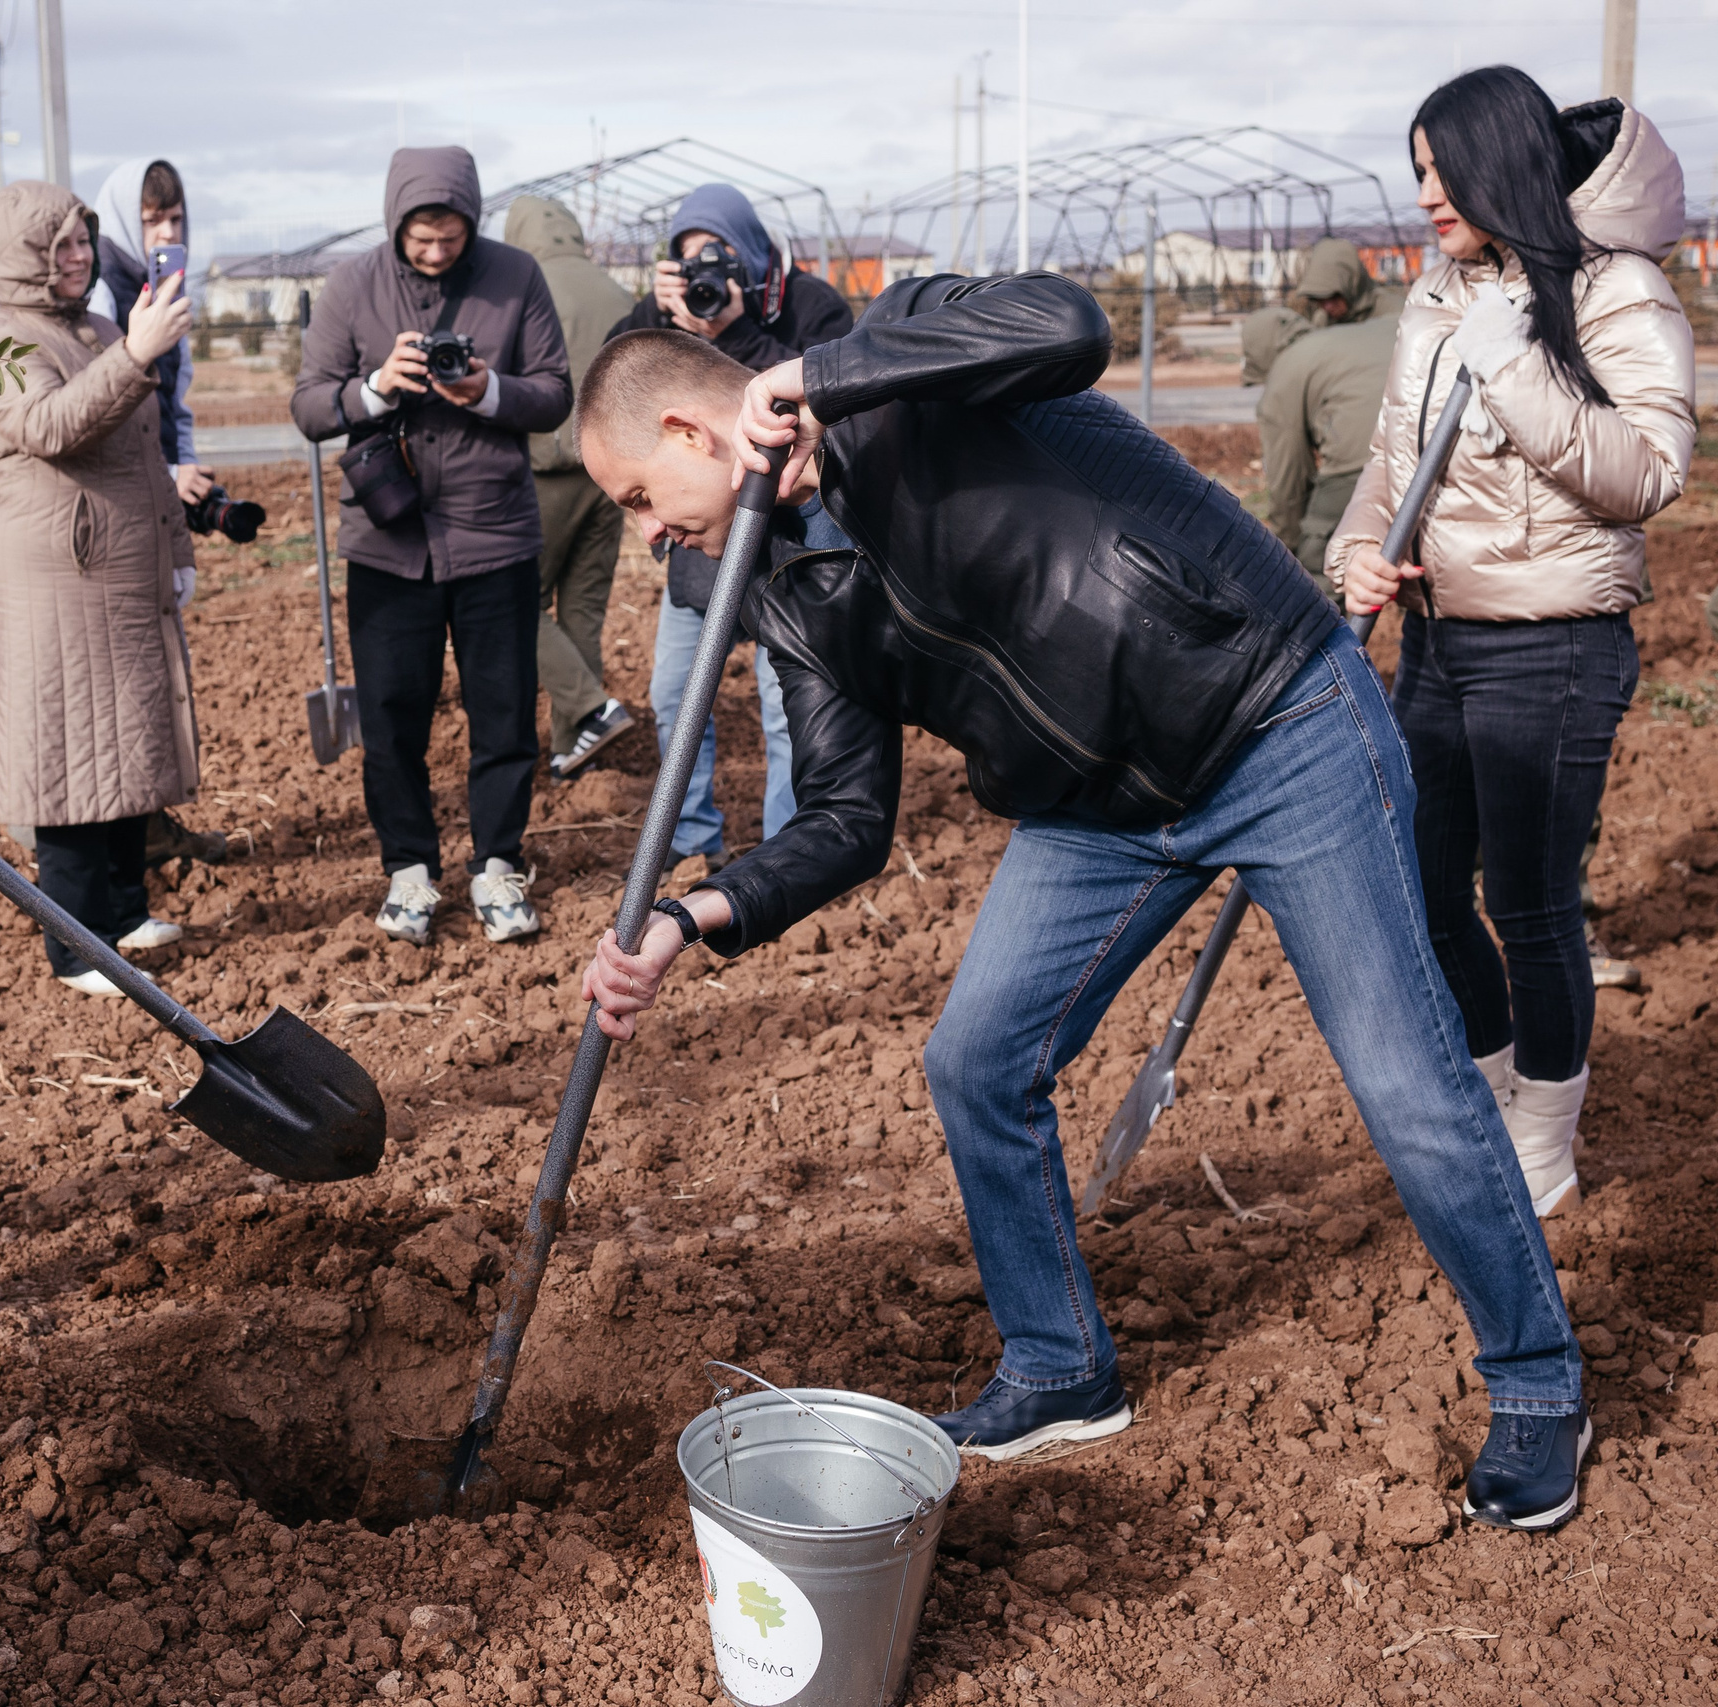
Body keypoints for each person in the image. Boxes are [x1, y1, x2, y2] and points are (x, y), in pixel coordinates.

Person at [573, 307, 1590, 1530]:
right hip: (1097, 812)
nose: (643, 536)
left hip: (1277, 720)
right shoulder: (785, 584)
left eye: (636, 497)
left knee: (1403, 1079)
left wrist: (823, 376)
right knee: (977, 1060)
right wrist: (691, 919)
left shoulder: (905, 377)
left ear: (692, 427)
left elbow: (1064, 326)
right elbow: (846, 817)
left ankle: (1538, 1385)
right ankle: (1058, 1368)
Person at [1329, 72, 1694, 1220]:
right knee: (1423, 890)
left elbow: (1648, 474)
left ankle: (1545, 1131)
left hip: (1553, 645)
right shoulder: (1437, 291)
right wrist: (1352, 553)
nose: (1427, 194)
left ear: (1500, 163)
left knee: (1528, 904)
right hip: (1435, 642)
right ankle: (1491, 1085)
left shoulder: (1615, 288)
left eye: (1443, 169)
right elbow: (1391, 465)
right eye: (1418, 171)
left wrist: (1519, 367)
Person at [291, 147, 572, 945]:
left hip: (496, 537)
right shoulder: (352, 285)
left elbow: (555, 391)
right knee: (391, 718)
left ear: (472, 224)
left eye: (452, 236)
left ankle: (497, 865)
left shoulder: (516, 276)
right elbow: (309, 406)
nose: (438, 251)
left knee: (505, 712)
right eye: (423, 237)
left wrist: (486, 391)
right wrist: (377, 387)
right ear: (396, 224)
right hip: (389, 543)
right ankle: (409, 868)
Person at [0, 180, 202, 993]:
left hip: (124, 564)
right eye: (58, 246)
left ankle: (124, 911)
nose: (77, 258)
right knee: (66, 753)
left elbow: (143, 451)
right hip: (51, 579)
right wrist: (135, 355)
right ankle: (73, 943)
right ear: (23, 258)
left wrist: (176, 544)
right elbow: (52, 427)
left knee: (129, 739)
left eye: (82, 241)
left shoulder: (100, 326)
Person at [611, 184, 855, 868]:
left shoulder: (811, 305)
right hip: (700, 546)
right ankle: (691, 842)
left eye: (716, 258)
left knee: (787, 708)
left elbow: (824, 403)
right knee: (676, 694)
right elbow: (613, 395)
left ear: (748, 251)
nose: (704, 278)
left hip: (791, 543)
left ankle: (785, 854)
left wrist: (736, 336)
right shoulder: (664, 315)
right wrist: (653, 312)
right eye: (688, 263)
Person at [82, 155, 231, 870]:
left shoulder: (164, 289)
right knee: (125, 677)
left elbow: (177, 397)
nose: (166, 231)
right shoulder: (104, 299)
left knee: (153, 668)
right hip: (115, 507)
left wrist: (186, 472)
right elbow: (104, 408)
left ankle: (145, 825)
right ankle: (116, 841)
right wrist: (168, 472)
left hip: (156, 495)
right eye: (151, 220)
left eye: (175, 218)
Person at [505, 193, 639, 778]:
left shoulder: (521, 290)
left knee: (516, 602)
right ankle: (572, 747)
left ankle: (589, 707)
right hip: (611, 470)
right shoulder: (617, 291)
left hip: (545, 469)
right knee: (582, 609)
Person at [1241, 299, 1399, 604]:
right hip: (1439, 451)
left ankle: (1321, 649)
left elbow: (1289, 480)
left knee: (1318, 569)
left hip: (1364, 463)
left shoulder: (1286, 368)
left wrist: (1287, 551)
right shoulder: (1346, 337)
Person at [1288, 235, 1386, 326]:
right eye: (1320, 299)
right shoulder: (1323, 320)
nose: (1328, 307)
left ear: (1352, 284)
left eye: (1334, 296)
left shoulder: (1390, 314)